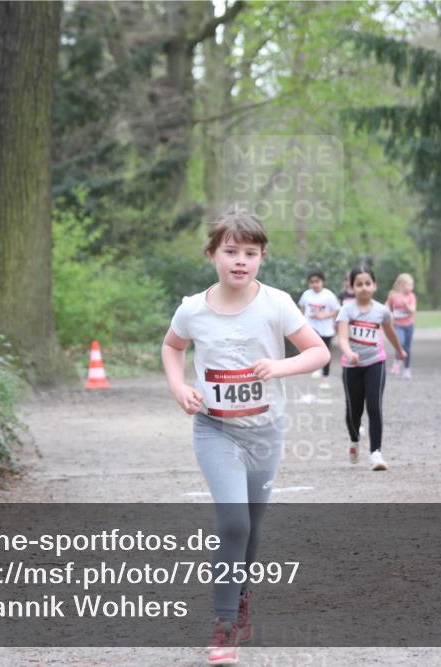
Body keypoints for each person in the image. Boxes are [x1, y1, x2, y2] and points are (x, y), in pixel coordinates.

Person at [161, 209, 330, 665]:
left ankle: (240, 596)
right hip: (215, 429)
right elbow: (172, 347)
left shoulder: (276, 304)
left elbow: (318, 351)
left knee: (252, 526)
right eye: (230, 251)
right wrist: (180, 387)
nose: (240, 260)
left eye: (250, 253)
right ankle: (222, 626)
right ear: (212, 253)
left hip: (265, 432)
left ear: (262, 258)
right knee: (234, 522)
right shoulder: (192, 308)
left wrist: (280, 365)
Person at [336, 266, 407, 471]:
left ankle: (376, 453)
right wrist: (349, 352)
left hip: (376, 362)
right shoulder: (347, 309)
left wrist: (400, 351)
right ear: (352, 287)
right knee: (353, 412)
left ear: (374, 286)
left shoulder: (381, 311)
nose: (364, 288)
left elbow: (390, 333)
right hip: (352, 366)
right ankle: (354, 439)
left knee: (374, 407)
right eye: (359, 284)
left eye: (368, 283)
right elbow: (342, 337)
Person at [298, 271, 341, 390]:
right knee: (312, 350)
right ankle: (316, 368)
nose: (314, 284)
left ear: (322, 282)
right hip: (310, 327)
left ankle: (325, 378)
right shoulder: (306, 294)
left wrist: (325, 315)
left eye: (317, 281)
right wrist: (301, 320)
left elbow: (337, 310)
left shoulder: (328, 295)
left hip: (326, 329)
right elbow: (301, 307)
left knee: (326, 354)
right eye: (312, 282)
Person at [386, 273, 417, 379]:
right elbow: (387, 306)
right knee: (400, 342)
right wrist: (389, 312)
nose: (411, 287)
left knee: (407, 348)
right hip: (397, 325)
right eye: (409, 285)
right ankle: (396, 362)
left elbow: (412, 310)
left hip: (409, 325)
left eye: (412, 285)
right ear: (401, 285)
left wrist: (406, 305)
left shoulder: (411, 296)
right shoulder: (393, 295)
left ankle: (407, 369)